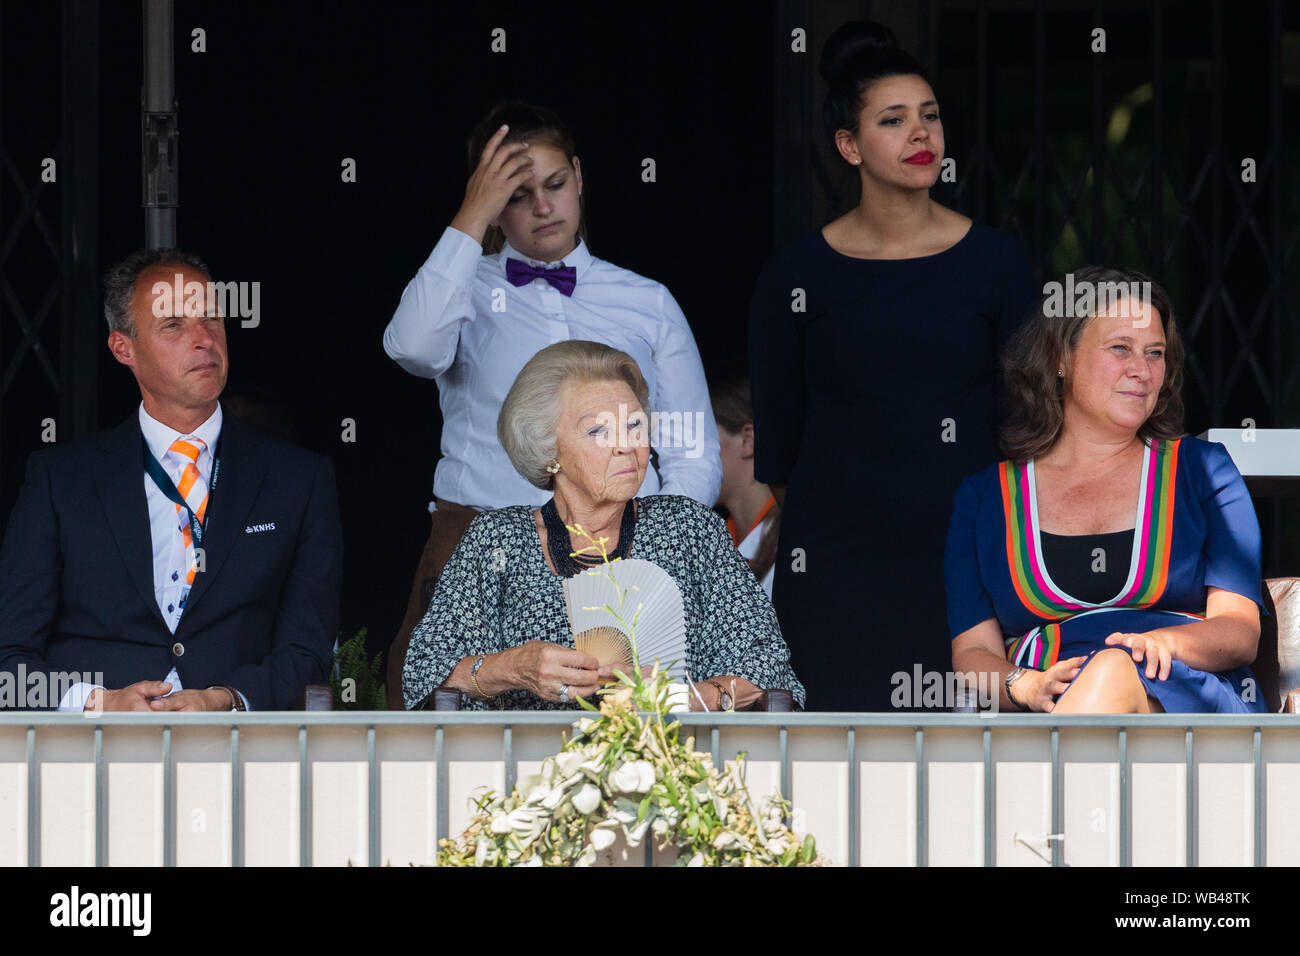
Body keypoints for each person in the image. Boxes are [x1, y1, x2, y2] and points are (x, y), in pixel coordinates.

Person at [382, 101, 721, 707]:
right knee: (451, 730)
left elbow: (692, 452)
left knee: (632, 734)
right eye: (516, 195)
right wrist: (471, 214)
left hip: (624, 552)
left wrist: (652, 550)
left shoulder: (648, 300)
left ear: (580, 179)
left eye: (556, 185)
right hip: (480, 547)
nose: (542, 207)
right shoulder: (463, 285)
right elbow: (410, 347)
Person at [748, 21, 1037, 710]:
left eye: (931, 116)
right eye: (894, 119)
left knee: (969, 765)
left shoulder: (996, 263)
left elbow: (1029, 420)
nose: (921, 135)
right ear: (849, 146)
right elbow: (779, 442)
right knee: (836, 762)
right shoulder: (796, 274)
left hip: (968, 554)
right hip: (836, 561)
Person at [0, 249, 343, 711]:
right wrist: (99, 702)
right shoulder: (59, 480)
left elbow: (308, 656)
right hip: (93, 757)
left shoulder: (298, 479)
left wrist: (224, 700)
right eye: (173, 325)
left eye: (211, 319)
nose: (203, 339)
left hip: (239, 752)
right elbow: (9, 661)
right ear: (124, 348)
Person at [402, 341, 803, 712]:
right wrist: (511, 667)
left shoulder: (689, 529)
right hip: (533, 777)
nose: (626, 445)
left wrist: (679, 697)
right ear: (547, 449)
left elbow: (768, 675)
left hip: (678, 773)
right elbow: (424, 679)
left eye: (634, 426)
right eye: (599, 430)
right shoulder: (496, 542)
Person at [945, 266, 1268, 714]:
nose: (1143, 370)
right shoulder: (984, 498)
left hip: (1180, 702)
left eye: (1155, 353)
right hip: (1039, 713)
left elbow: (1238, 632)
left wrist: (1157, 644)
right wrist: (1024, 686)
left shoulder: (1203, 472)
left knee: (1112, 669)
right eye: (1121, 348)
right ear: (1061, 356)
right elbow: (972, 654)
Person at [711, 374, 779, 597]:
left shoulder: (797, 547)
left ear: (747, 441)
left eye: (704, 437)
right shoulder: (717, 544)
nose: (689, 455)